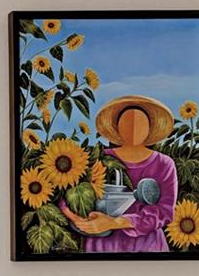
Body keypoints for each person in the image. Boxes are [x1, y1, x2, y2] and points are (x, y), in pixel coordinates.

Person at [62, 94, 176, 253]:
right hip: (101, 245)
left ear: (150, 127)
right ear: (117, 126)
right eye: (127, 122)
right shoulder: (98, 159)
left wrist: (114, 223)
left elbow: (164, 211)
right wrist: (78, 220)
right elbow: (65, 194)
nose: (134, 128)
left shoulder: (164, 164)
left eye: (141, 122)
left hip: (148, 247)